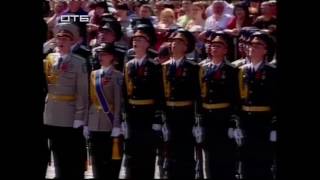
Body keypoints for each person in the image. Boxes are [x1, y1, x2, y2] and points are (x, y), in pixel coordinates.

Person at [43, 23, 89, 179]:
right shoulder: (49, 59)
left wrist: (79, 117)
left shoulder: (79, 62)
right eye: (59, 38)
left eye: (65, 39)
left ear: (71, 42)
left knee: (69, 155)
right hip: (51, 115)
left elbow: (82, 92)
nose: (61, 42)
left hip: (69, 115)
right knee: (56, 152)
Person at [123, 24, 164, 179]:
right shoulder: (129, 65)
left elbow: (159, 93)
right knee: (132, 153)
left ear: (147, 44)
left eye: (140, 39)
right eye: (134, 39)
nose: (136, 42)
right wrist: (125, 116)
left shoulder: (154, 66)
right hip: (133, 114)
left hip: (148, 114)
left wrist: (157, 118)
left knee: (147, 153)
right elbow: (125, 93)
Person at [198, 31, 240, 180]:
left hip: (223, 117)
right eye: (212, 45)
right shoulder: (202, 68)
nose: (214, 48)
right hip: (208, 117)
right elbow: (199, 95)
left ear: (226, 50)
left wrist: (233, 122)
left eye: (219, 45)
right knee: (209, 155)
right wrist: (199, 119)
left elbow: (236, 98)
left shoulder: (232, 70)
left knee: (226, 156)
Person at [238, 31, 277, 180]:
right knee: (246, 159)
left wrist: (274, 126)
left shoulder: (272, 72)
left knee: (263, 161)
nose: (252, 47)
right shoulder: (241, 71)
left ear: (266, 50)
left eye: (258, 45)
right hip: (246, 121)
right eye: (251, 44)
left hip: (264, 121)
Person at [161, 29, 199, 179]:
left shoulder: (193, 67)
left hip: (186, 114)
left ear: (186, 46)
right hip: (170, 114)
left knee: (186, 151)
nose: (174, 44)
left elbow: (197, 95)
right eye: (173, 41)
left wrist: (197, 120)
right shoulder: (164, 67)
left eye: (179, 42)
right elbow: (160, 94)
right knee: (169, 151)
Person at [85, 43, 123, 179]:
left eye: (104, 54)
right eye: (99, 54)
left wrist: (117, 124)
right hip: (94, 121)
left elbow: (118, 101)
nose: (101, 57)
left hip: (109, 121)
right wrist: (86, 122)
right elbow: (89, 99)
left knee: (109, 160)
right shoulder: (93, 74)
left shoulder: (117, 75)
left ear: (112, 57)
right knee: (96, 159)